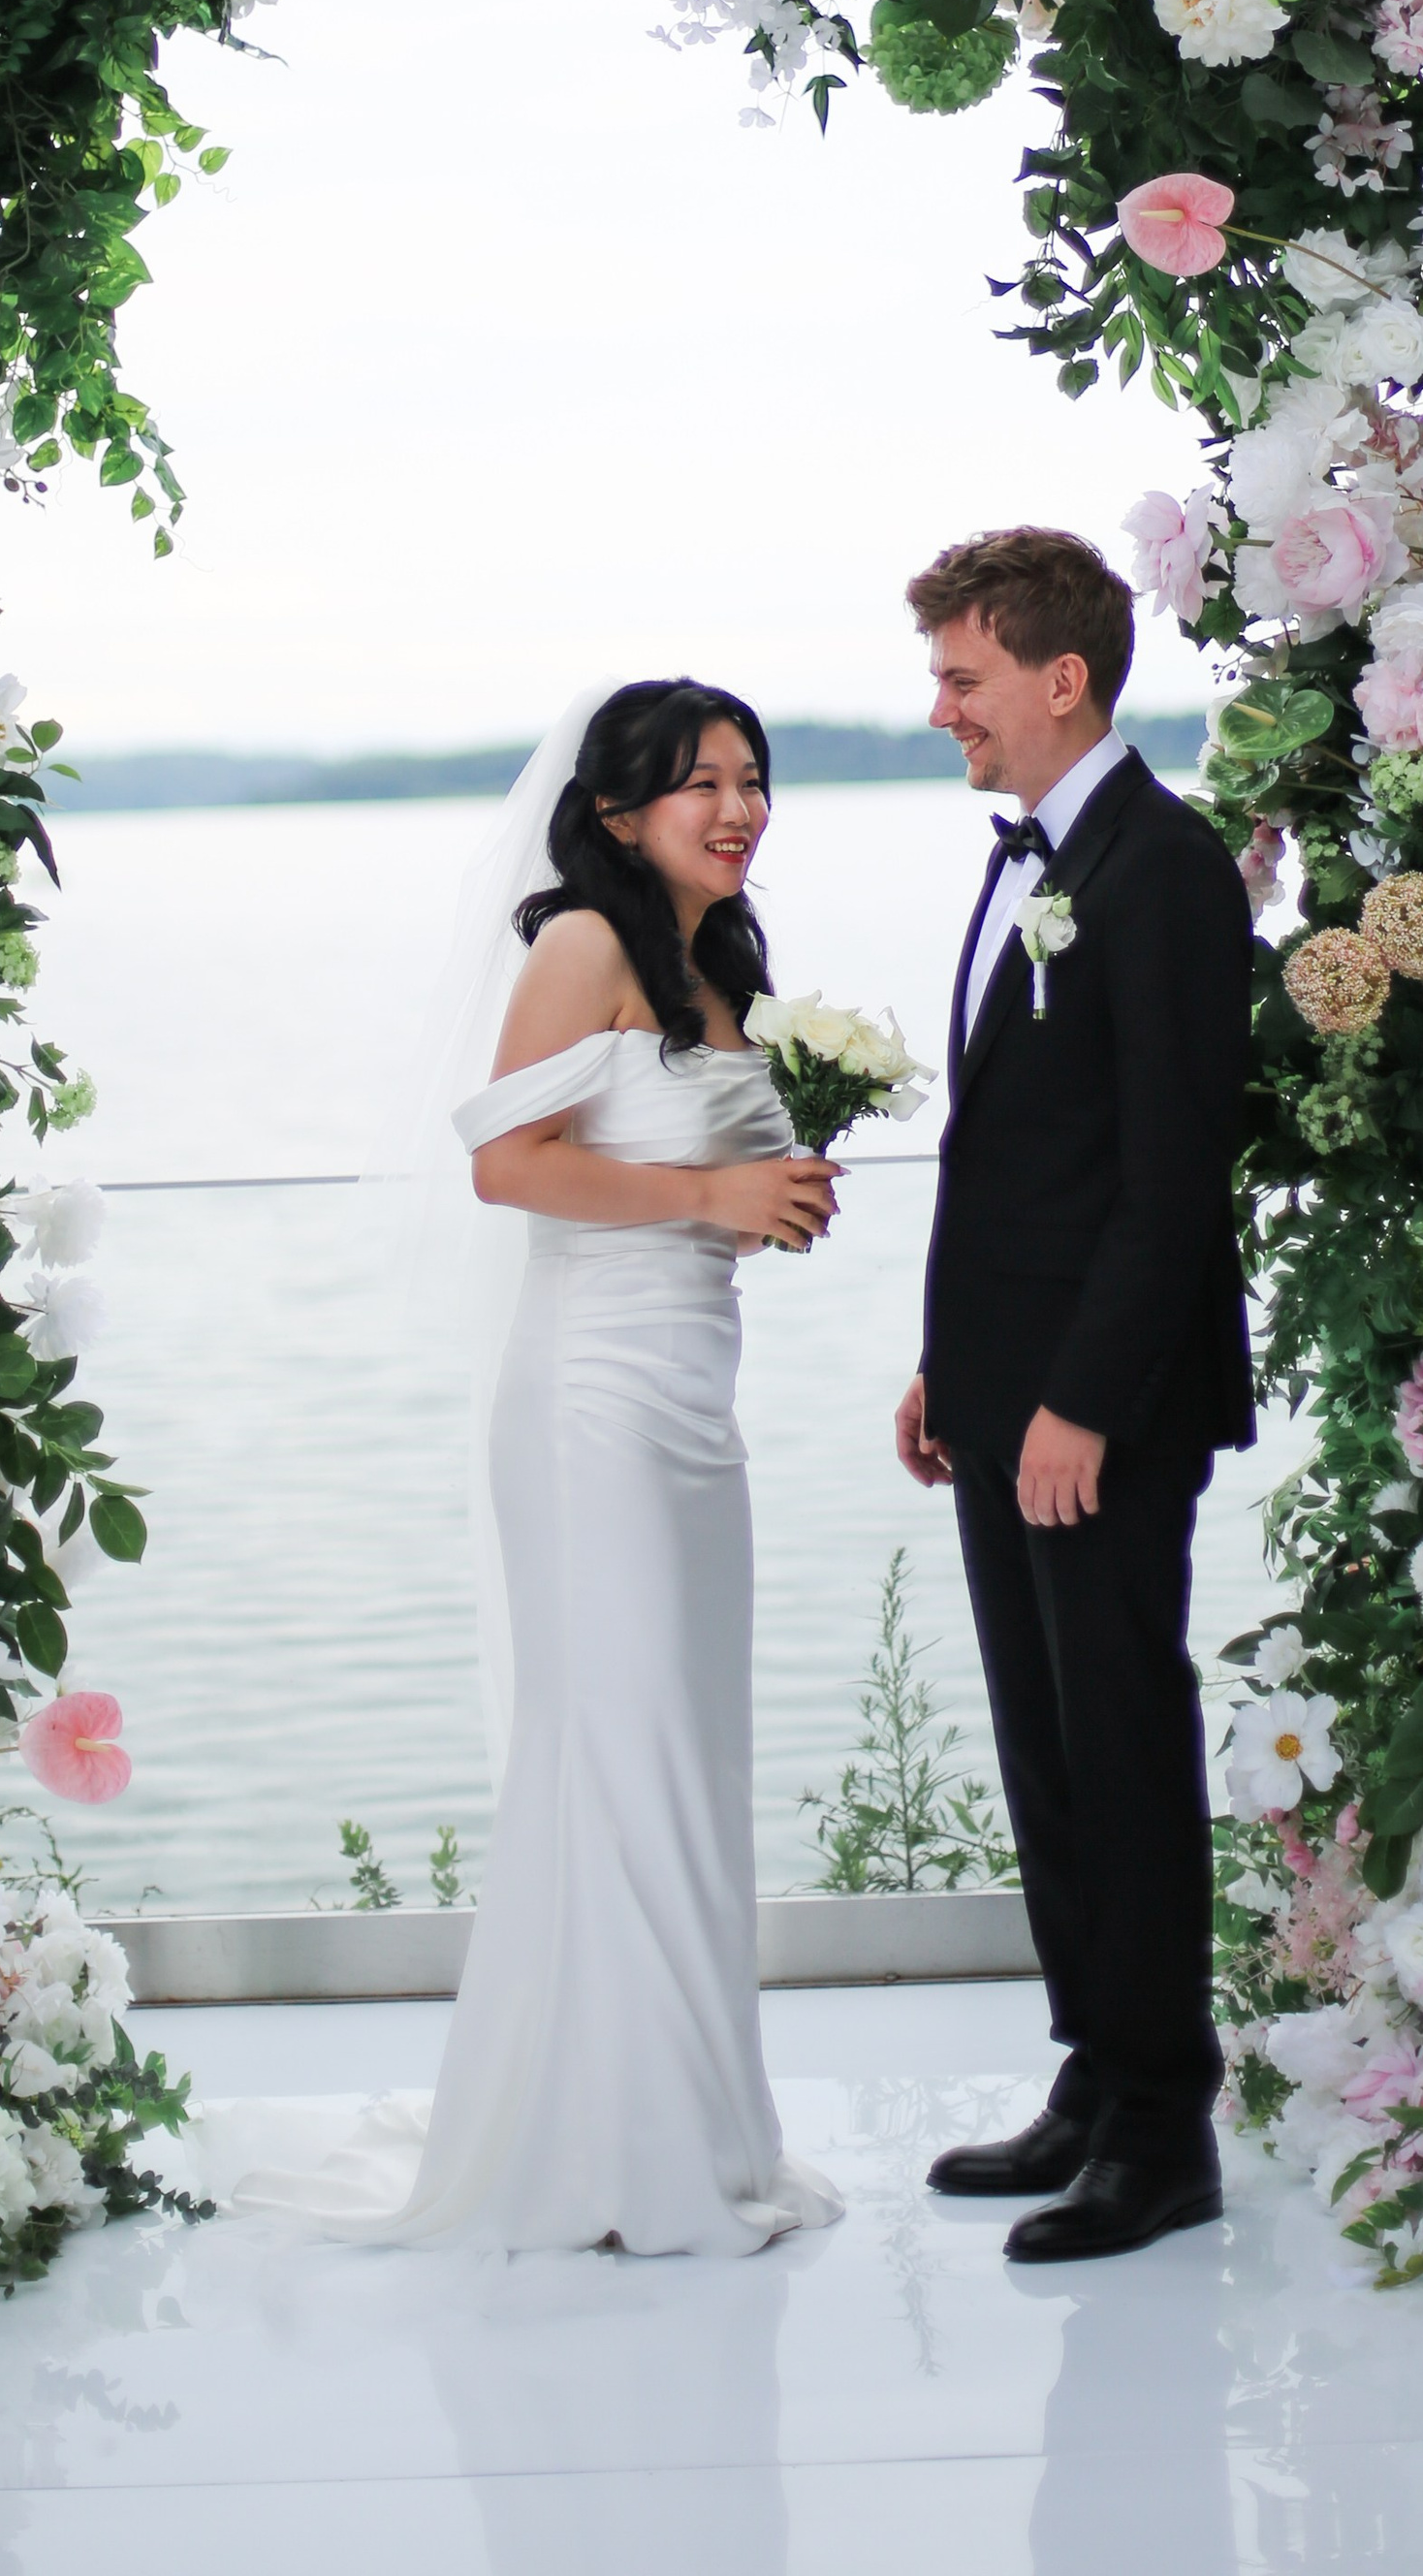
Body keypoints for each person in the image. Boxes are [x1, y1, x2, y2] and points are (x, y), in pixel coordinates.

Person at [193, 678, 843, 2255]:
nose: (739, 810)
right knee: (616, 1751)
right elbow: (504, 1165)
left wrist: (771, 1199)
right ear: (618, 811)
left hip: (693, 1400)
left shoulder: (715, 959)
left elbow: (687, 1169)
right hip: (591, 1404)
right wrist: (712, 1200)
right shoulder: (586, 945)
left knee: (685, 1753)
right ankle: (616, 2154)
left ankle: (691, 2125)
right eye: (702, 783)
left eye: (752, 778)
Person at [895, 528, 1253, 2264]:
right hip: (1006, 1394)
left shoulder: (1163, 870)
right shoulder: (1042, 854)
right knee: (1045, 1747)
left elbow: (1174, 1179)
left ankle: (1166, 2127)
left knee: (1118, 1742)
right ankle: (1096, 2074)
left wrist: (1084, 1403)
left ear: (1061, 677)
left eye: (962, 677)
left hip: (1103, 1414)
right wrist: (951, 1369)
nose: (941, 710)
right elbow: (1018, 1158)